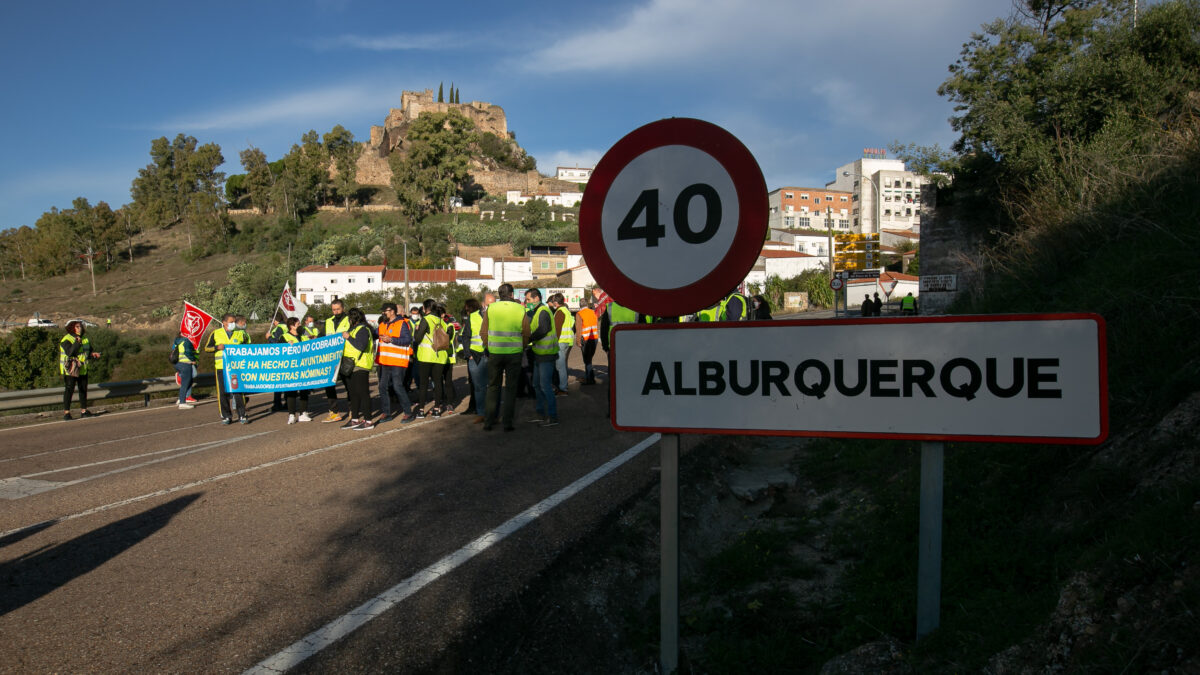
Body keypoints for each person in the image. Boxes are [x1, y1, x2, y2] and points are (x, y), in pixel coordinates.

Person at [481, 284, 525, 431]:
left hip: (495, 353)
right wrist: (521, 347)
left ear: (499, 295)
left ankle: (489, 421)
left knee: (493, 386)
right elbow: (526, 331)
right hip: (514, 354)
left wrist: (489, 346)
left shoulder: (491, 308)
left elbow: (483, 332)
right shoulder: (520, 308)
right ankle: (507, 423)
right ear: (512, 295)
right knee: (511, 388)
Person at [204, 313, 250, 424]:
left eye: (234, 322)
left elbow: (248, 347)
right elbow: (207, 348)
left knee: (238, 392)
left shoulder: (240, 333)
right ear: (224, 322)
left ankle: (242, 415)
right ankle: (226, 416)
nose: (233, 324)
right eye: (231, 322)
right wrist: (217, 347)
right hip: (221, 368)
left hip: (236, 368)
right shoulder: (216, 333)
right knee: (222, 393)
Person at [525, 288, 559, 427]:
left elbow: (544, 329)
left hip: (546, 354)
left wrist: (529, 338)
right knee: (536, 385)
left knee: (545, 386)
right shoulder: (537, 311)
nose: (526, 302)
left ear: (536, 298)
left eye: (528, 299)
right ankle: (540, 413)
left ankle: (552, 416)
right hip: (539, 354)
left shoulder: (543, 311)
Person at [376, 302, 416, 423]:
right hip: (385, 360)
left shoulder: (402, 323)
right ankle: (386, 413)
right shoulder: (382, 324)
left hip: (398, 361)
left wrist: (391, 339)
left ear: (392, 311)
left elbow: (407, 340)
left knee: (397, 386)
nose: (383, 313)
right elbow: (374, 334)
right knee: (382, 386)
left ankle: (408, 413)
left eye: (385, 311)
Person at [412, 299, 449, 418]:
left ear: (425, 308)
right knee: (437, 383)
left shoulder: (425, 320)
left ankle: (421, 410)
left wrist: (415, 331)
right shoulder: (441, 321)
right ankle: (437, 409)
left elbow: (417, 339)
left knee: (423, 384)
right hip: (440, 356)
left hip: (426, 356)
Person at [340, 307, 376, 430]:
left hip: (360, 365)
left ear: (353, 318)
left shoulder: (363, 329)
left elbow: (361, 346)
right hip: (351, 366)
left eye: (349, 318)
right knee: (353, 394)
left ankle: (368, 421)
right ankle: (354, 419)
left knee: (363, 394)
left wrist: (348, 337)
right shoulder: (354, 329)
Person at [59, 320, 100, 420]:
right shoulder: (67, 339)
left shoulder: (85, 339)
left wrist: (93, 354)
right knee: (69, 390)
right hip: (70, 369)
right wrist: (77, 343)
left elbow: (88, 352)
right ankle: (67, 413)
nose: (79, 328)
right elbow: (70, 352)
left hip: (83, 368)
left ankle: (84, 410)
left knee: (83, 389)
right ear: (72, 328)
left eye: (80, 326)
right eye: (77, 327)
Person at [322, 299, 352, 422]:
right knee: (329, 385)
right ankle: (334, 412)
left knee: (349, 385)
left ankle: (352, 410)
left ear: (343, 308)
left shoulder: (349, 320)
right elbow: (322, 337)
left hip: (344, 356)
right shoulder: (328, 321)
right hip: (331, 358)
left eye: (338, 309)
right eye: (333, 309)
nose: (336, 312)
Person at [280, 317, 314, 424]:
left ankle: (303, 413)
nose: (300, 326)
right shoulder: (284, 337)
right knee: (291, 392)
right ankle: (291, 414)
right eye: (298, 324)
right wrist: (286, 346)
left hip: (303, 367)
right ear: (292, 326)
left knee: (304, 390)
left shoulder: (303, 337)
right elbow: (278, 351)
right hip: (291, 368)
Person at [461, 296, 489, 422]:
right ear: (482, 304)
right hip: (475, 356)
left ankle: (493, 413)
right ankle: (481, 413)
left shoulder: (495, 316)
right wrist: (468, 354)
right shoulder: (472, 317)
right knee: (478, 386)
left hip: (492, 355)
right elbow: (465, 336)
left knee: (492, 386)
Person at [549, 293, 574, 395]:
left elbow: (557, 329)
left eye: (553, 301)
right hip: (567, 341)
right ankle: (563, 386)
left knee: (560, 366)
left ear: (556, 302)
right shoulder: (566, 310)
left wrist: (553, 342)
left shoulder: (559, 312)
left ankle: (563, 388)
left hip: (560, 342)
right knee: (562, 365)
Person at [575, 300, 599, 385]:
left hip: (586, 339)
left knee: (587, 360)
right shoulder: (593, 312)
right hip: (595, 338)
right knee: (589, 359)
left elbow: (578, 329)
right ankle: (589, 377)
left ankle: (590, 379)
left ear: (580, 305)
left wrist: (578, 341)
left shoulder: (579, 314)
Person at [172, 330, 198, 409]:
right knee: (185, 383)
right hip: (185, 363)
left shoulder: (177, 341)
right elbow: (188, 352)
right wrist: (193, 360)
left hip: (177, 363)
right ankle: (182, 402)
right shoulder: (186, 341)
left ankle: (181, 399)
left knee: (185, 382)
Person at [440, 304, 459, 414]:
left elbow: (447, 338)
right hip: (436, 358)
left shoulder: (449, 325)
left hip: (448, 357)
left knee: (447, 381)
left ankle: (450, 403)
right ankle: (440, 402)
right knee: (438, 382)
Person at [266, 318, 288, 411]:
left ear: (275, 320)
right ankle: (287, 402)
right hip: (286, 357)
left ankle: (277, 404)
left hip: (279, 358)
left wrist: (269, 338)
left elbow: (276, 343)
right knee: (286, 381)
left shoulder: (278, 328)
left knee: (278, 382)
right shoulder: (286, 327)